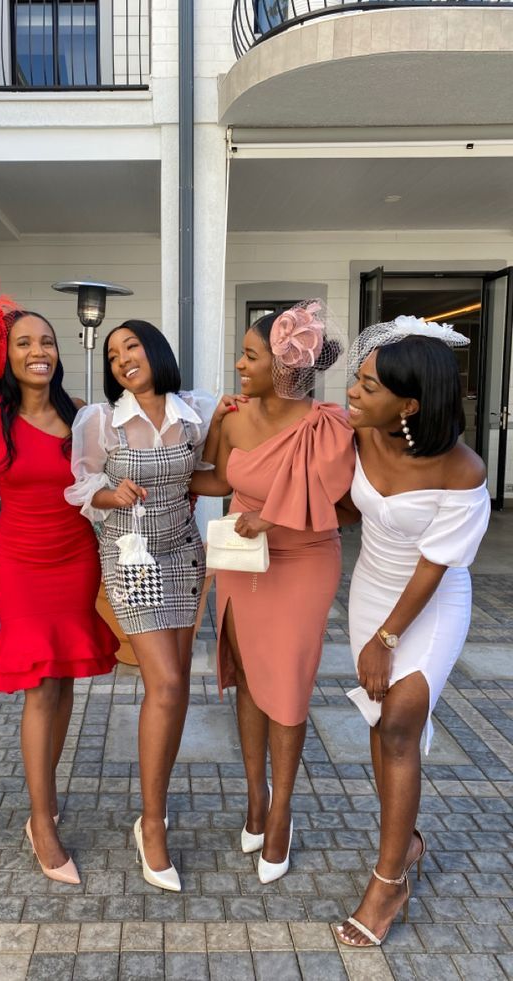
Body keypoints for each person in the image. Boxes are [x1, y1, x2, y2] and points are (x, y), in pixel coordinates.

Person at [334, 318, 490, 947]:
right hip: (370, 592)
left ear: (410, 403)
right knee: (382, 725)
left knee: (399, 720)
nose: (353, 391)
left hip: (430, 603)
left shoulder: (463, 468)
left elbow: (435, 564)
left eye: (367, 386)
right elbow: (342, 497)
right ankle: (405, 841)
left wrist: (388, 639)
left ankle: (388, 881)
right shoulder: (361, 433)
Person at [0, 297, 118, 885]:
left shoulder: (83, 417)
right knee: (42, 684)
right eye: (24, 343)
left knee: (66, 675)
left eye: (45, 341)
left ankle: (43, 799)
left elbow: (120, 465)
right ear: (7, 354)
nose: (37, 351)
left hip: (76, 557)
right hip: (19, 562)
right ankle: (42, 820)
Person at [190, 301, 355, 884]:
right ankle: (255, 797)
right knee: (249, 678)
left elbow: (344, 509)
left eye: (250, 355)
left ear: (284, 364)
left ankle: (281, 812)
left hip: (302, 562)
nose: (239, 363)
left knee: (285, 686)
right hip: (239, 560)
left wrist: (274, 521)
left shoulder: (329, 427)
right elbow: (214, 477)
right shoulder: (234, 417)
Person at [65, 319, 232, 892]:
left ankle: (152, 808)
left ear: (156, 350)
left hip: (184, 552)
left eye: (130, 346)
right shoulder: (101, 421)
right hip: (130, 556)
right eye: (112, 355)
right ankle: (152, 823)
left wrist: (241, 425)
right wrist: (111, 494)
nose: (121, 360)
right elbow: (82, 486)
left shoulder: (197, 411)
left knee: (177, 683)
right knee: (164, 683)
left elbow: (211, 476)